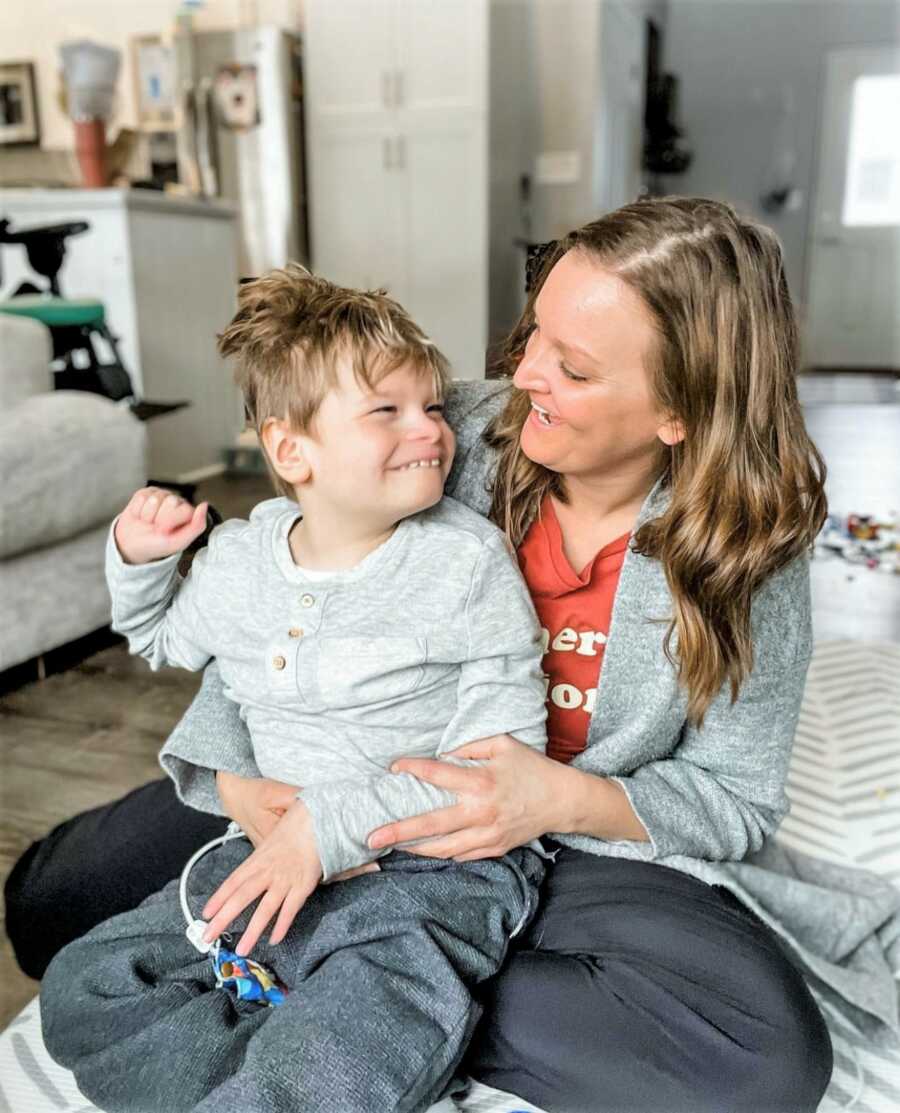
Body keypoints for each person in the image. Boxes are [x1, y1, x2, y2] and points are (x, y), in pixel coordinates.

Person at [16, 196, 900, 1113]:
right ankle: (368, 982)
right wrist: (244, 784)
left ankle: (372, 995)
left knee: (764, 1060)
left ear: (678, 408)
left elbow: (737, 796)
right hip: (332, 772)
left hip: (558, 843)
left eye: (574, 366)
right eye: (534, 335)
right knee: (52, 902)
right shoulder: (443, 438)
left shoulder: (750, 547)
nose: (525, 374)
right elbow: (280, 611)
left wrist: (558, 797)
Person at [37, 270, 550, 1113]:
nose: (430, 430)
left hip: (425, 870)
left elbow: (500, 759)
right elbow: (161, 639)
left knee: (366, 1019)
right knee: (82, 984)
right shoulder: (242, 559)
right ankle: (258, 1056)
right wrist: (138, 560)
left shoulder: (465, 564)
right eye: (386, 411)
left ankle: (294, 1063)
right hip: (267, 858)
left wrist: (335, 824)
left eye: (430, 406)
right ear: (290, 451)